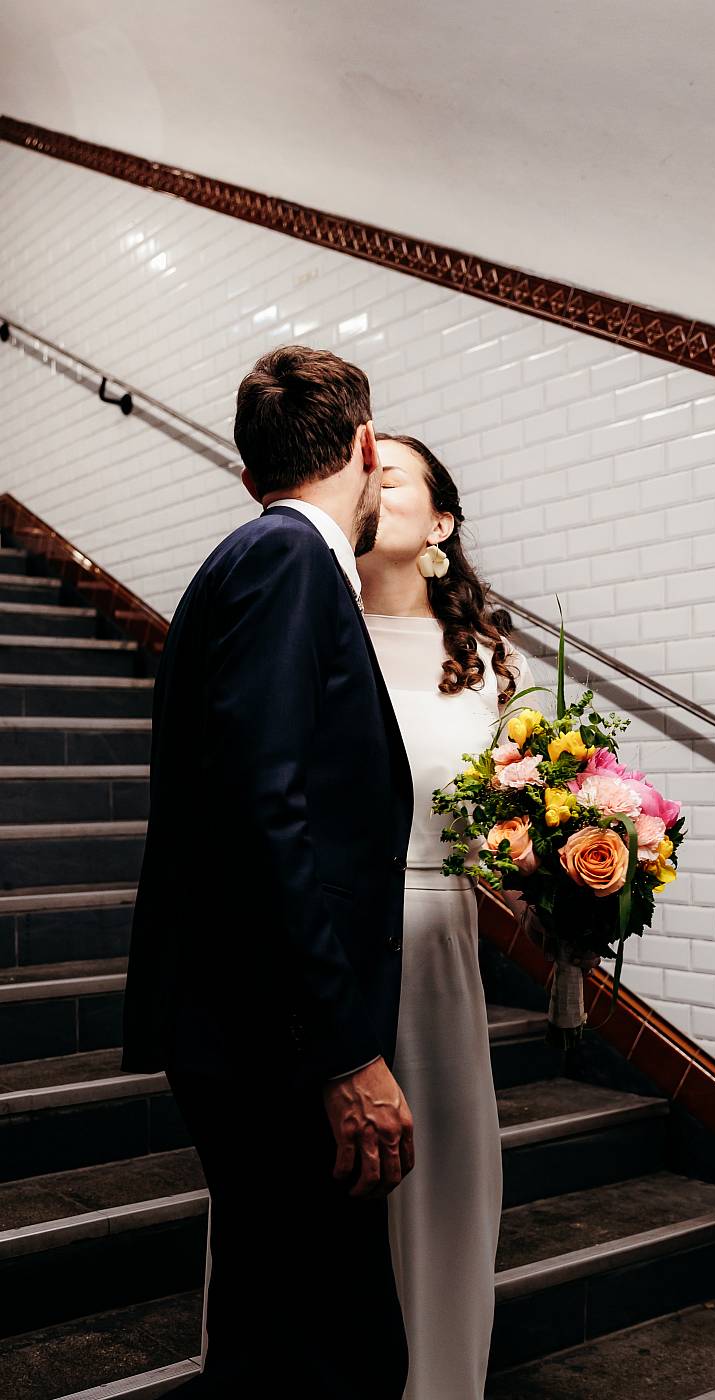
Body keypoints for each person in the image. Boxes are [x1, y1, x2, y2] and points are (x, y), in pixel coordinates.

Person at [120, 345, 415, 1396]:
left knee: (285, 1335)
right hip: (277, 1043)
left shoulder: (263, 559)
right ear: (368, 447)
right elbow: (263, 808)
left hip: (256, 1031)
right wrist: (342, 1052)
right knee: (329, 1351)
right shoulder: (288, 562)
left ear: (249, 470)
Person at [357, 430, 556, 1399]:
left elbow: (511, 828)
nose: (368, 483)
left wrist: (570, 879)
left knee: (443, 1199)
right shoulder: (312, 629)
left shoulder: (484, 660)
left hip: (438, 946)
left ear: (440, 521)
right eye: (362, 470)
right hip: (320, 947)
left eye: (389, 473)